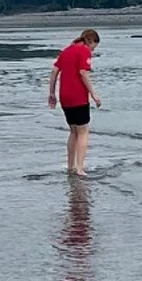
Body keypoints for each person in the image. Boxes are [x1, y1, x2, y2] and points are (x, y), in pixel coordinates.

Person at [48, 27, 103, 174]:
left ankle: (71, 165)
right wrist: (94, 94)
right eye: (93, 47)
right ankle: (80, 168)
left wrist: (51, 93)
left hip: (64, 96)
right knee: (83, 130)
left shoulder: (66, 50)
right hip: (78, 96)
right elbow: (83, 73)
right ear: (90, 41)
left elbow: (54, 71)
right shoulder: (84, 51)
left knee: (73, 131)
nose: (92, 51)